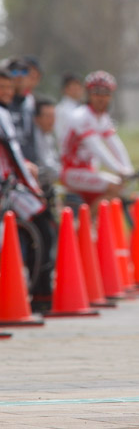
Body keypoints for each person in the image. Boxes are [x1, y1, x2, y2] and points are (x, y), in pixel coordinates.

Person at [0, 68, 54, 311]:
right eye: (3, 88)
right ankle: (37, 294)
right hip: (9, 186)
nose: (7, 93)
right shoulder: (2, 113)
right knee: (42, 225)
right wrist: (34, 189)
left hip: (9, 184)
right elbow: (13, 154)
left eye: (10, 88)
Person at [60, 71, 135, 212]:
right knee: (115, 188)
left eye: (106, 93)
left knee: (119, 189)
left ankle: (92, 225)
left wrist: (128, 168)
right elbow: (97, 147)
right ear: (88, 94)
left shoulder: (103, 117)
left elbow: (115, 144)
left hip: (88, 171)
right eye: (96, 93)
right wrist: (120, 170)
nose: (101, 98)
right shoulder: (81, 116)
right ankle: (87, 227)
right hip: (71, 171)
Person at [54, 73, 84, 143]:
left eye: (79, 86)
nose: (77, 89)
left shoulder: (80, 108)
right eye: (74, 86)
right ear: (65, 89)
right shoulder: (61, 110)